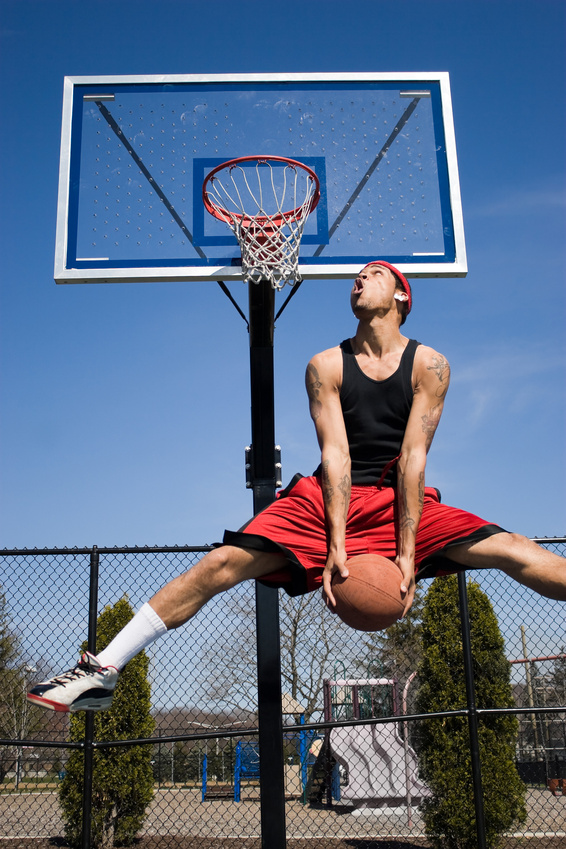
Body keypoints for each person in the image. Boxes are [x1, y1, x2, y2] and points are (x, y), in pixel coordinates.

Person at [27, 260, 566, 713]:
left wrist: (406, 557)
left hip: (398, 498)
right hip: (328, 497)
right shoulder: (325, 365)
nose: (358, 280)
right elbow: (336, 455)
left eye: (372, 274)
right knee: (219, 565)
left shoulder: (432, 364)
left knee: (513, 550)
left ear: (402, 295)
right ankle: (102, 670)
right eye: (355, 276)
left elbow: (413, 458)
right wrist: (335, 546)